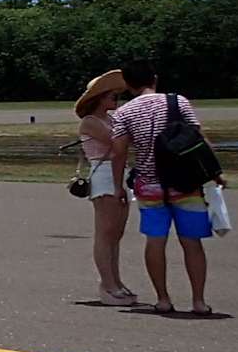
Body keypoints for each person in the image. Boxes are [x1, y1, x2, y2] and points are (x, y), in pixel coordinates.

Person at [108, 61, 226, 315]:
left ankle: (163, 299)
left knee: (155, 241)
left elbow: (119, 152)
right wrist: (215, 172)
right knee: (192, 242)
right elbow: (198, 138)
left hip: (149, 186)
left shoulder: (124, 112)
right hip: (186, 183)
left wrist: (118, 186)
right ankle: (198, 301)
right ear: (154, 78)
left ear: (128, 85)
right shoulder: (178, 102)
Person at [74, 69, 135, 306]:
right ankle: (107, 284)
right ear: (99, 98)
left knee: (116, 234)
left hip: (120, 173)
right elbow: (117, 141)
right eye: (112, 96)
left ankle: (116, 281)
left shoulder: (112, 118)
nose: (116, 100)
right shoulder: (90, 122)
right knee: (105, 233)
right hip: (104, 174)